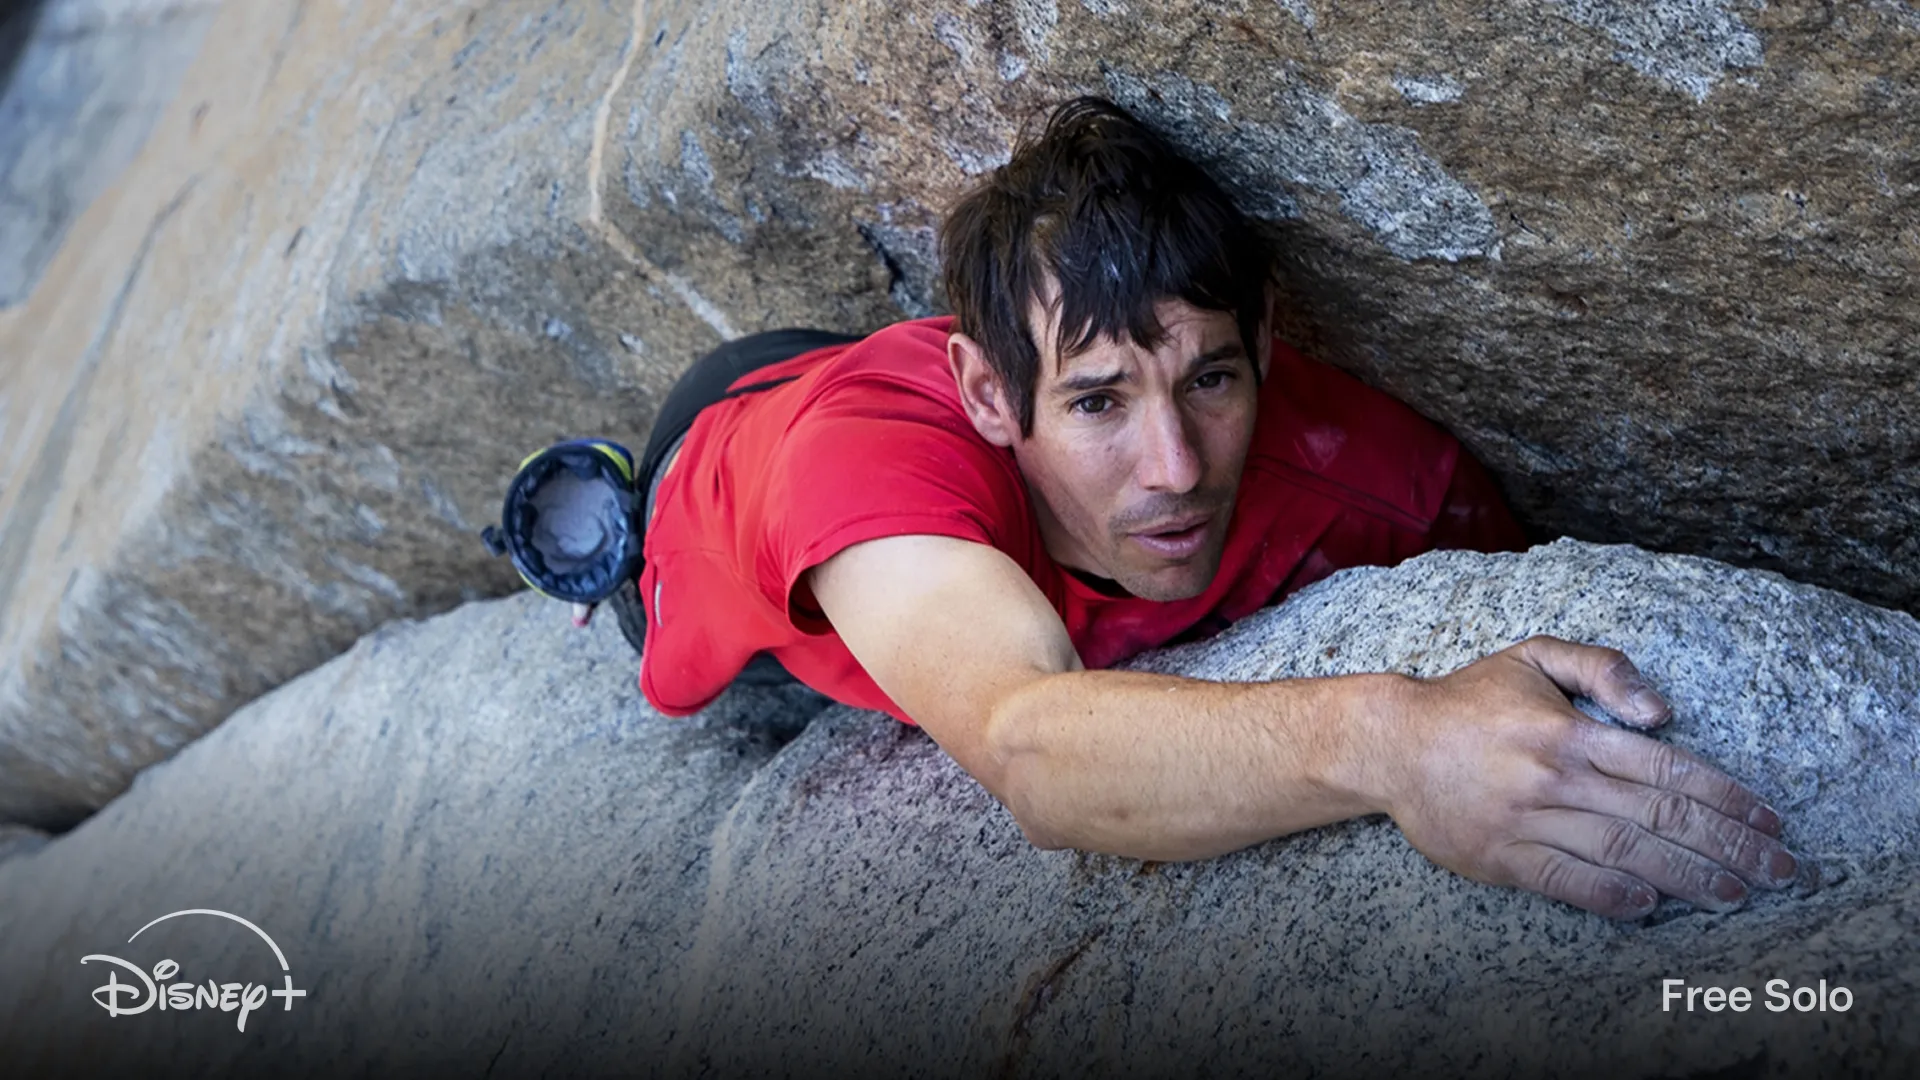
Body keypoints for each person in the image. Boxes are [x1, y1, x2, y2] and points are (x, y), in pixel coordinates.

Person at [588, 97, 1798, 920]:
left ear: (1264, 341)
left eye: (1210, 379)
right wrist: (1397, 739)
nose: (1176, 465)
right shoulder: (861, 463)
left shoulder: (1380, 484)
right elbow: (1029, 747)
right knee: (711, 657)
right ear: (988, 393)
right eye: (1102, 403)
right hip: (739, 480)